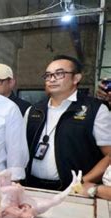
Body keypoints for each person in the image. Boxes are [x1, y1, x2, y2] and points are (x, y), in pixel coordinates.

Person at [21, 55, 111, 191]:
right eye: (48, 75)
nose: (52, 79)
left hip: (73, 190)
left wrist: (80, 183)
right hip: (31, 187)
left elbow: (109, 155)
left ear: (76, 78)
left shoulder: (95, 110)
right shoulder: (34, 110)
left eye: (59, 74)